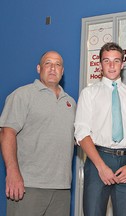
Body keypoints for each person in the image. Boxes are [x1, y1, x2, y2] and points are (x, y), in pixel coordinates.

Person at [0, 51, 76, 216]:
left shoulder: (71, 103)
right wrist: (12, 173)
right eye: (48, 63)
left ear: (62, 71)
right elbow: (7, 133)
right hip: (28, 186)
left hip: (61, 189)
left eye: (57, 64)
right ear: (38, 68)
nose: (52, 68)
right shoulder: (22, 95)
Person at [74, 42, 126, 216]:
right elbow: (82, 133)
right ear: (100, 64)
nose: (112, 65)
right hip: (98, 160)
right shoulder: (88, 93)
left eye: (116, 61)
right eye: (107, 61)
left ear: (122, 64)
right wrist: (101, 166)